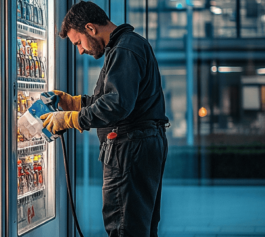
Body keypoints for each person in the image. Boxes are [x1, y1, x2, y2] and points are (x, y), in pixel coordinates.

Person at [40, 1, 169, 237]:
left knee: (123, 228)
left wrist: (71, 119)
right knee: (140, 228)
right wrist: (75, 103)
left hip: (129, 149)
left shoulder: (124, 50)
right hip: (141, 144)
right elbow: (116, 100)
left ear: (90, 28)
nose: (80, 50)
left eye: (78, 42)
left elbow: (117, 105)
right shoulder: (127, 45)